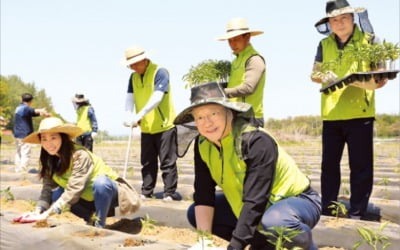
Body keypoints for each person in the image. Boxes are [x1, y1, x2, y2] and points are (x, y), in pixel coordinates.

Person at [174, 82, 321, 250]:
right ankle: (263, 243)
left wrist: (235, 247)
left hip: (296, 201)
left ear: (228, 112)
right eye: (199, 117)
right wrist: (204, 241)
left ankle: (306, 246)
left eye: (213, 113)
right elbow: (203, 193)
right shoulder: (203, 144)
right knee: (195, 213)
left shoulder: (256, 141)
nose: (207, 122)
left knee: (275, 222)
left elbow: (255, 200)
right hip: (253, 208)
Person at [310, 0, 388, 219]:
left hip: (360, 114)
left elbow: (380, 75)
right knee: (329, 167)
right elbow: (314, 73)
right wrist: (324, 76)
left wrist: (364, 81)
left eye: (344, 18)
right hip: (331, 114)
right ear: (329, 23)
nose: (339, 23)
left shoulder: (369, 41)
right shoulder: (324, 45)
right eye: (334, 20)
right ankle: (328, 209)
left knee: (361, 167)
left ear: (353, 19)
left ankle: (357, 212)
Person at [13, 117, 140, 228]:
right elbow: (47, 188)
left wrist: (46, 215)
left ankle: (100, 224)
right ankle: (90, 219)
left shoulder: (80, 155)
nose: (48, 143)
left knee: (101, 183)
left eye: (53, 137)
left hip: (109, 196)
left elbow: (74, 190)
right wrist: (38, 211)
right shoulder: (49, 160)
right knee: (57, 194)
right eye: (44, 139)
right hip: (86, 198)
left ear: (63, 137)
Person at [121, 46, 179, 201]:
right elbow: (129, 99)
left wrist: (139, 114)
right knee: (147, 162)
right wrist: (128, 116)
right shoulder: (133, 77)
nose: (133, 67)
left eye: (135, 64)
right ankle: (147, 192)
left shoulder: (160, 72)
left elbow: (157, 97)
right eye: (130, 65)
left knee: (167, 162)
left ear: (144, 60)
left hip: (164, 126)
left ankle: (169, 193)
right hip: (146, 128)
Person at [216, 17, 266, 127]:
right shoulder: (235, 61)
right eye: (230, 40)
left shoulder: (254, 59)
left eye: (236, 39)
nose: (232, 44)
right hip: (234, 116)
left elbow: (248, 88)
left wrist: (221, 93)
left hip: (250, 118)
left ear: (247, 37)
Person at [13, 93, 50, 173]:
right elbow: (33, 110)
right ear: (31, 101)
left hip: (17, 134)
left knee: (19, 152)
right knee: (25, 153)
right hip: (25, 134)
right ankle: (22, 170)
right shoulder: (25, 108)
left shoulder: (18, 108)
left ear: (22, 99)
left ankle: (17, 169)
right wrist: (42, 110)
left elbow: (33, 113)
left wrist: (43, 114)